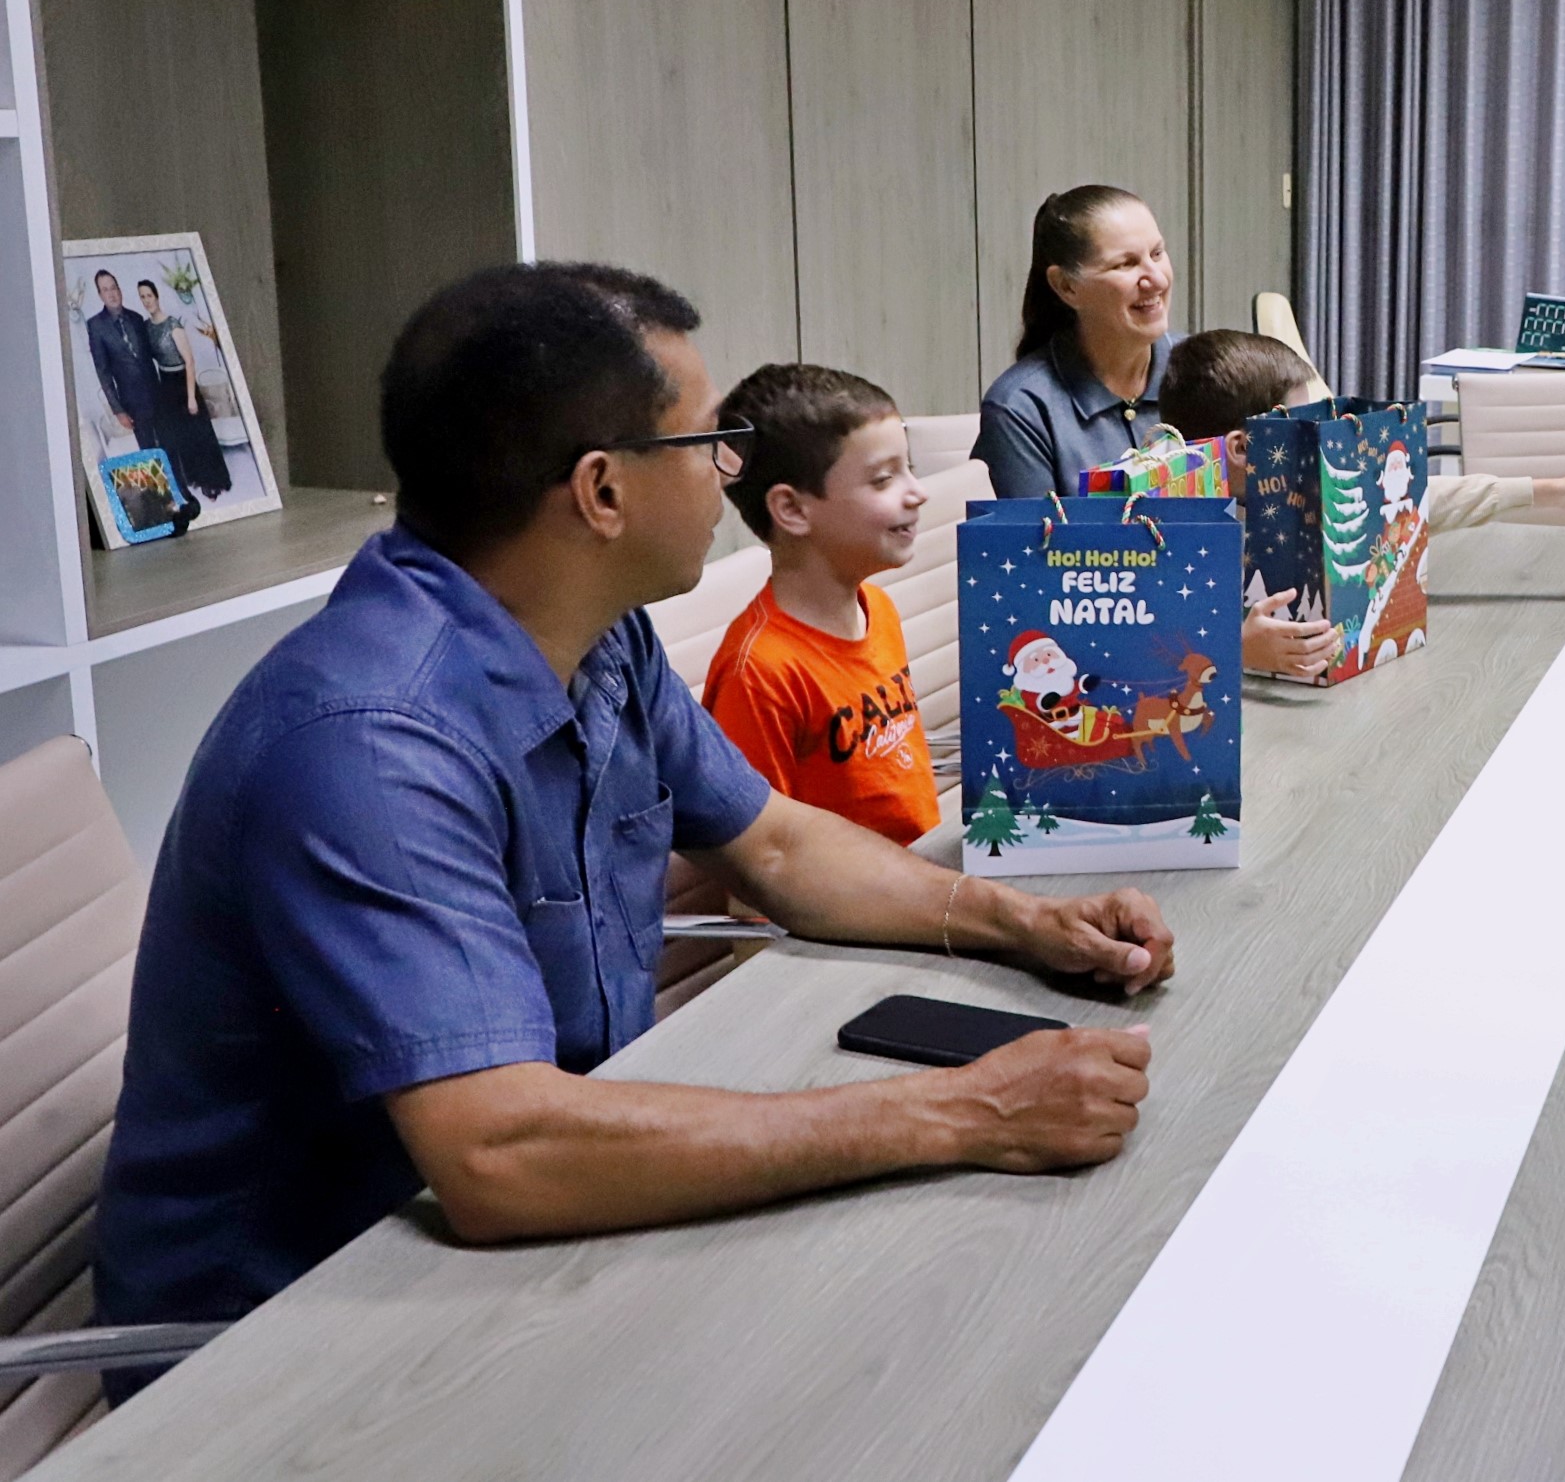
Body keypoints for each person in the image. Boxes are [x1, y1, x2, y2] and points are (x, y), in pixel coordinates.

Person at [97, 263, 1172, 1369]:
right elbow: (497, 1153)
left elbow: (778, 844)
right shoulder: (369, 745)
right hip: (296, 1341)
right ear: (602, 492)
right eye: (709, 442)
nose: (729, 470)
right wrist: (963, 1113)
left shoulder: (596, 635)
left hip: (534, 1233)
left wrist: (1026, 925)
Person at [1152, 329, 1565, 680]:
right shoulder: (1163, 530)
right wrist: (1236, 652)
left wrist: (1555, 490)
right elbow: (1142, 649)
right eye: (1303, 425)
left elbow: (1425, 500)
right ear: (1243, 448)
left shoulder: (1289, 497)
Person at [703, 363, 939, 846]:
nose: (918, 492)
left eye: (909, 469)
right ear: (792, 509)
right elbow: (758, 859)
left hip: (924, 872)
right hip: (857, 895)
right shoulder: (759, 674)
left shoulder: (878, 608)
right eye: (883, 479)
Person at [977, 185, 1176, 498]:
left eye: (1157, 254)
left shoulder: (1205, 370)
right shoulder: (1020, 409)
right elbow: (1038, 531)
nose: (1158, 280)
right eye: (1125, 264)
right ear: (1067, 286)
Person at [136, 278, 233, 501]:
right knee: (180, 434)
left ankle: (211, 481)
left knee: (198, 433)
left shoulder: (173, 325)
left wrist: (191, 398)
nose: (146, 300)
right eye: (142, 296)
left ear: (156, 296)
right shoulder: (147, 327)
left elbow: (189, 361)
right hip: (165, 384)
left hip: (183, 382)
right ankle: (193, 476)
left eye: (149, 295)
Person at [82, 268, 156, 450]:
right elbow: (103, 372)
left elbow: (149, 358)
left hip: (156, 395)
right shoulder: (96, 326)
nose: (111, 294)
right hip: (132, 402)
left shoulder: (137, 318)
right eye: (105, 290)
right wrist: (118, 410)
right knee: (148, 450)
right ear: (100, 295)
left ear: (120, 290)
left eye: (113, 288)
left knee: (169, 444)